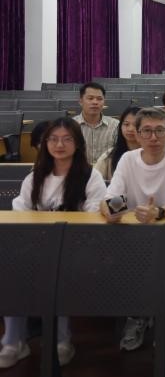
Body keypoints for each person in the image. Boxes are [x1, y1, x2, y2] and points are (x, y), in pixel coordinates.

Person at [0, 119, 105, 369]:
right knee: (10, 267)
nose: (59, 144)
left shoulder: (91, 176)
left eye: (67, 139)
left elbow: (92, 217)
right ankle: (13, 341)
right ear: (45, 143)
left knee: (57, 269)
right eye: (53, 139)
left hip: (76, 248)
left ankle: (61, 340)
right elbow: (21, 212)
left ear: (77, 144)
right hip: (35, 245)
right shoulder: (34, 177)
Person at [100, 108, 165, 352]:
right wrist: (112, 211)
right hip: (134, 234)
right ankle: (138, 316)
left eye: (160, 130)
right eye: (147, 131)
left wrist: (158, 212)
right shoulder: (128, 159)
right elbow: (113, 196)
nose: (154, 137)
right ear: (138, 134)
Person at [72, 81, 119, 165]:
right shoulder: (71, 125)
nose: (95, 102)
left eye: (99, 99)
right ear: (81, 101)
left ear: (104, 102)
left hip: (106, 172)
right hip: (79, 171)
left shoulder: (115, 125)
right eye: (90, 98)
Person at [94, 105, 142, 180]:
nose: (130, 129)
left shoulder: (151, 154)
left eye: (136, 125)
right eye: (126, 124)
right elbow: (94, 180)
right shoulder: (109, 156)